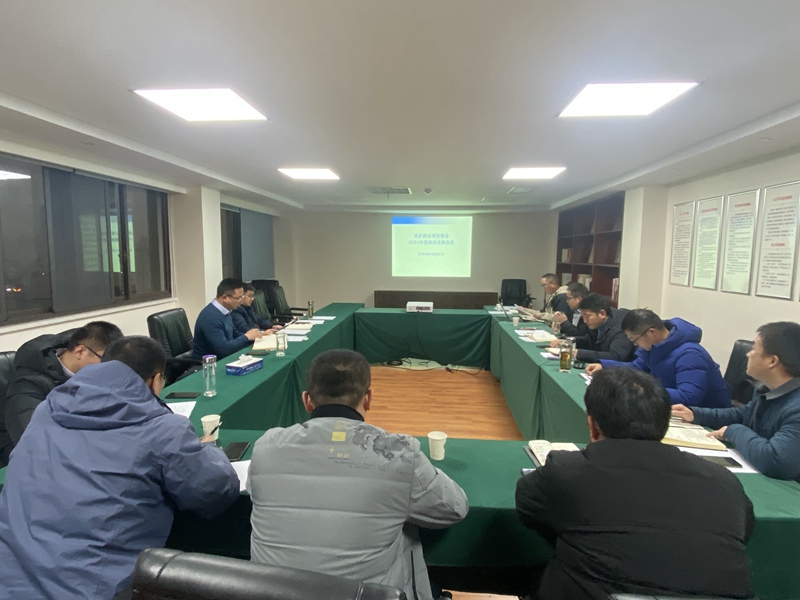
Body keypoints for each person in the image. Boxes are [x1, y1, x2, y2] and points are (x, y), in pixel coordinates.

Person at [0, 336, 240, 600]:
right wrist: (209, 450)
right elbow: (214, 492)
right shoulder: (163, 430)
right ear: (155, 381)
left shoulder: (46, 409)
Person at [248, 349, 468, 600]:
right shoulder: (399, 452)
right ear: (368, 398)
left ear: (307, 400)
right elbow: (454, 508)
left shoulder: (266, 446)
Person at [516, 368, 754, 600]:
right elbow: (745, 530)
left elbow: (527, 507)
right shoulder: (725, 481)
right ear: (664, 425)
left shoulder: (566, 470)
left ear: (593, 426)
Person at [673, 321, 800, 482]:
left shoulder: (796, 407)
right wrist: (696, 414)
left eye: (754, 349)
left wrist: (733, 431)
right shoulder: (766, 389)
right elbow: (743, 414)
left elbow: (776, 461)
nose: (748, 354)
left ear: (772, 361)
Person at [1, 321, 123, 457]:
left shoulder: (96, 376)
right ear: (80, 351)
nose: (109, 369)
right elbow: (36, 443)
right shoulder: (27, 385)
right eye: (105, 361)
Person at [586, 309, 730, 409]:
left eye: (634, 339)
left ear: (651, 332)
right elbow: (636, 367)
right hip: (668, 407)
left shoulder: (690, 355)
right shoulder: (653, 347)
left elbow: (688, 397)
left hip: (705, 419)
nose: (635, 344)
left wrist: (642, 389)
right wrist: (605, 366)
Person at [193, 278, 263, 360]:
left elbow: (234, 333)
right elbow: (223, 349)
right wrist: (246, 337)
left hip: (225, 358)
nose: (241, 302)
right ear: (224, 297)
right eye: (238, 298)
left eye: (242, 297)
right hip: (208, 364)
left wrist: (253, 337)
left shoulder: (225, 311)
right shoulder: (210, 317)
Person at [552, 293, 635, 363]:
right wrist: (568, 341)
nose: (585, 321)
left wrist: (578, 353)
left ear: (602, 313)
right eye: (583, 317)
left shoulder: (621, 326)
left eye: (587, 316)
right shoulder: (599, 322)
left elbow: (616, 356)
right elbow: (589, 340)